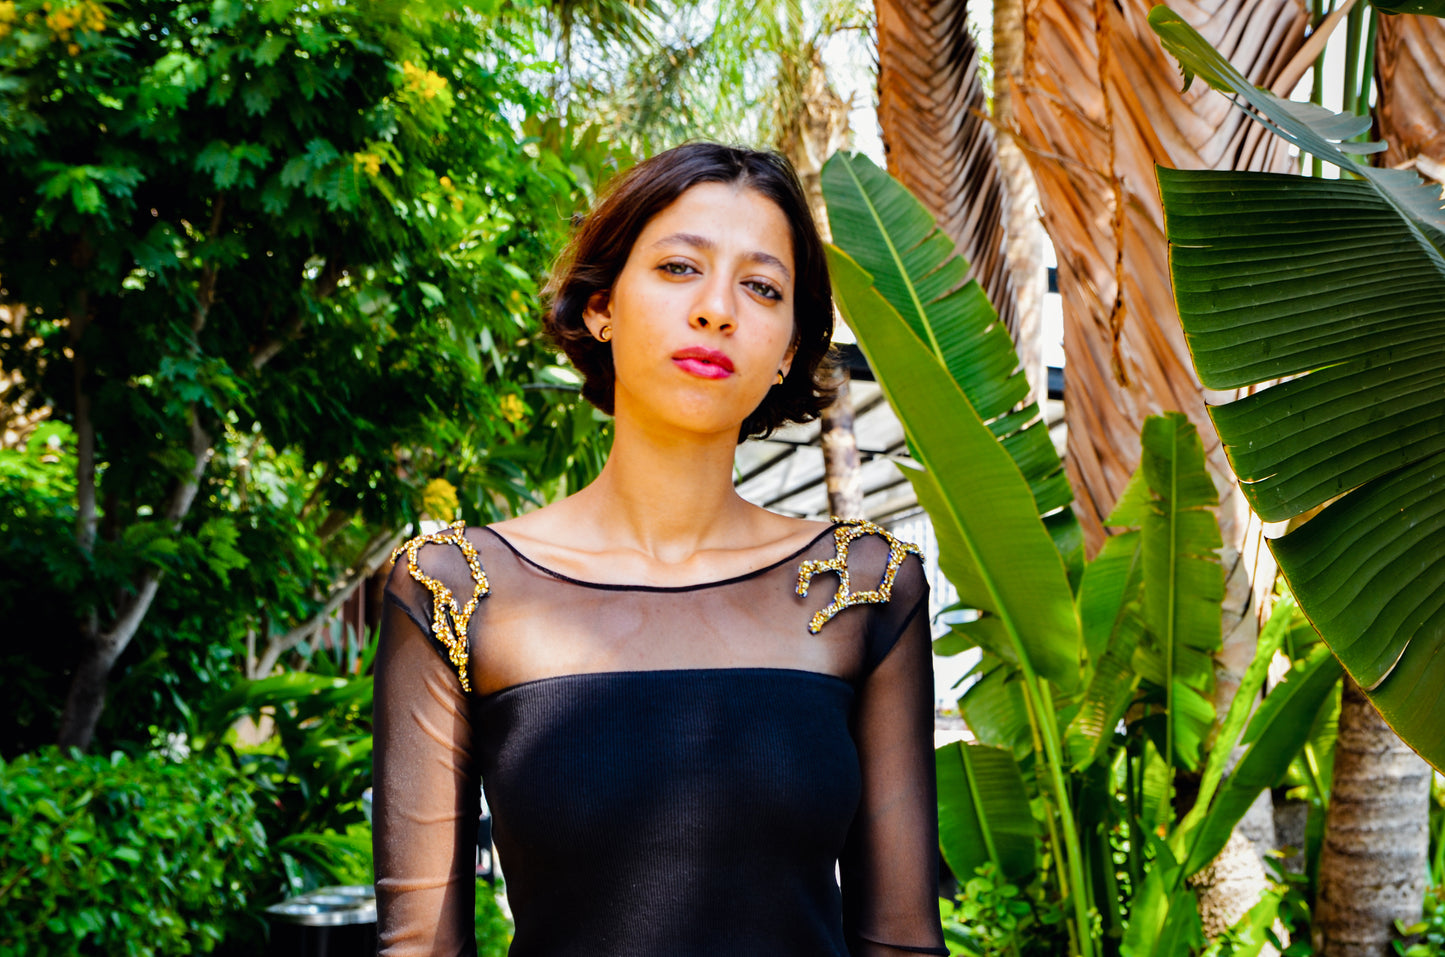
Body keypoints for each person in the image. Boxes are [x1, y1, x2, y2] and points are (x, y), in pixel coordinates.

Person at [373, 142, 948, 957]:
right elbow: (418, 949)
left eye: (761, 286)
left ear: (788, 346)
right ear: (601, 306)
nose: (718, 309)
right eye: (680, 268)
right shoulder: (456, 588)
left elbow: (900, 940)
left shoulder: (864, 589)